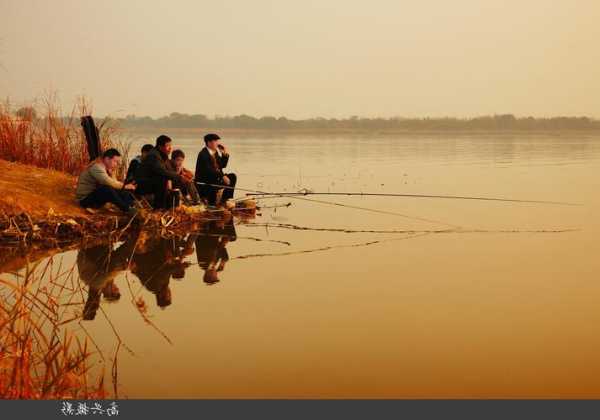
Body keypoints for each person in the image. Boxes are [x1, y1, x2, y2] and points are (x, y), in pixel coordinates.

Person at [135, 135, 191, 209]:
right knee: (164, 179)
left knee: (176, 179)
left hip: (153, 181)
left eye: (170, 145)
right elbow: (161, 172)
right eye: (168, 146)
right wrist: (178, 176)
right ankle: (159, 208)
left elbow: (169, 170)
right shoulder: (153, 156)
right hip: (143, 185)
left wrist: (181, 175)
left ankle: (181, 202)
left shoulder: (163, 155)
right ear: (160, 147)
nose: (170, 148)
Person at [75, 148, 137, 215]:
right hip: (85, 200)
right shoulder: (97, 167)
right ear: (107, 159)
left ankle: (131, 207)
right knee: (107, 189)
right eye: (115, 161)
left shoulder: (106, 168)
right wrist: (125, 186)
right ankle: (127, 209)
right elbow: (108, 182)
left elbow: (115, 185)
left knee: (122, 190)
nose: (117, 164)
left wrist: (112, 173)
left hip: (94, 198)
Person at [194, 133, 237, 206]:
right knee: (212, 203)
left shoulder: (215, 152)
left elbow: (222, 165)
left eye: (217, 141)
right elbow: (209, 170)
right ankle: (208, 199)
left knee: (232, 177)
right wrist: (222, 176)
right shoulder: (203, 154)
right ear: (209, 142)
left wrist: (224, 154)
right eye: (216, 141)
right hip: (205, 182)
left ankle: (226, 198)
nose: (218, 143)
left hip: (215, 179)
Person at [196, 216, 236, 285]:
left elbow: (213, 251)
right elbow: (221, 250)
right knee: (232, 237)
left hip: (207, 236)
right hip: (214, 239)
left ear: (208, 275)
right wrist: (223, 262)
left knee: (227, 235)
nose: (216, 273)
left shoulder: (203, 265)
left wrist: (214, 265)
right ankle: (229, 218)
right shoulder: (213, 265)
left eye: (214, 275)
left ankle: (225, 219)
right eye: (216, 275)